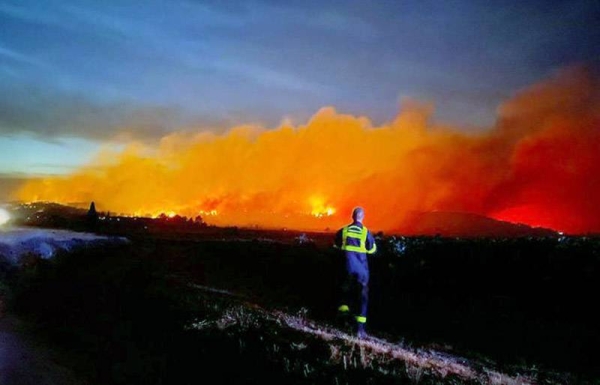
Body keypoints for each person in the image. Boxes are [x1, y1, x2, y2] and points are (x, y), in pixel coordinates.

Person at [334, 206, 377, 338]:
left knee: (344, 293)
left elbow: (337, 245)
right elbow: (372, 250)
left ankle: (343, 321)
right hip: (362, 271)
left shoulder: (344, 231)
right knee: (362, 297)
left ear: (352, 216)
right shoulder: (365, 232)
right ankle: (360, 330)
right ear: (362, 217)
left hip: (346, 267)